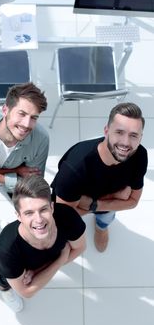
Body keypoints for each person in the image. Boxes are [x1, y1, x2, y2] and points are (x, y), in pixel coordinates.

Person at [51, 102, 148, 252]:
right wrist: (116, 198)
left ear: (140, 138)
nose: (126, 142)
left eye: (133, 135)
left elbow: (133, 201)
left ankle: (101, 228)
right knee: (63, 230)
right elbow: (66, 216)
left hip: (96, 205)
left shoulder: (139, 155)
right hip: (71, 204)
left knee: (106, 218)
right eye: (119, 132)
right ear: (106, 131)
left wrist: (94, 205)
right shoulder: (75, 167)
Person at [0, 175, 86, 312]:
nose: (38, 220)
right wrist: (60, 259)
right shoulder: (7, 248)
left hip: (38, 265)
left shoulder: (68, 217)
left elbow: (80, 248)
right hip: (20, 268)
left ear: (52, 207)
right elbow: (26, 292)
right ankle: (5, 290)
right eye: (29, 213)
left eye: (43, 209)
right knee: (5, 280)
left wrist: (37, 272)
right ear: (19, 216)